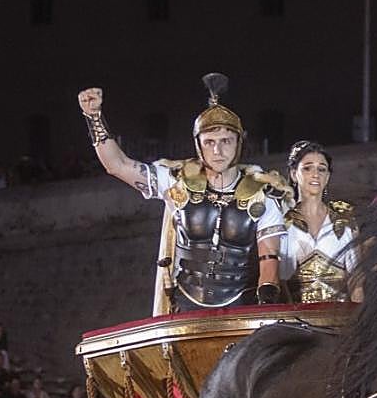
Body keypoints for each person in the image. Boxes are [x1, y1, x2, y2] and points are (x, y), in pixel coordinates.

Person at [77, 73, 292, 311]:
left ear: (239, 142)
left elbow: (269, 259)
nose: (218, 151)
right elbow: (117, 165)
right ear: (199, 145)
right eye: (210, 142)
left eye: (226, 141)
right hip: (186, 304)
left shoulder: (262, 194)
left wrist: (266, 302)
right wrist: (94, 118)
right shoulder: (176, 181)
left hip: (243, 303)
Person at [279, 141, 361, 303]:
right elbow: (278, 281)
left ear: (327, 177)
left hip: (339, 315)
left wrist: (359, 314)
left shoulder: (344, 220)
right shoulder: (283, 222)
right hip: (294, 316)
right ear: (294, 174)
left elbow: (357, 280)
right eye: (308, 168)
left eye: (321, 169)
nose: (315, 174)